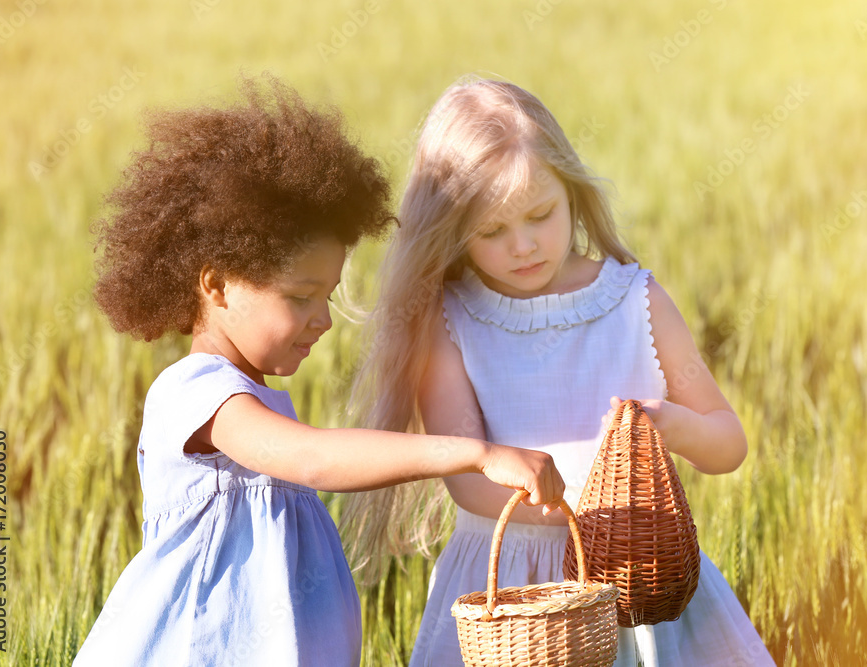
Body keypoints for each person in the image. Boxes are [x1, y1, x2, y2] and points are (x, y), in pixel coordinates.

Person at [73, 76, 565, 667]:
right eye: (301, 296)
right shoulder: (195, 394)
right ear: (216, 283)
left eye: (327, 297)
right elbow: (315, 459)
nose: (322, 321)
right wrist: (475, 453)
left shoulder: (261, 402)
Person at [346, 77, 775, 666]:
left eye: (541, 215)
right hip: (514, 596)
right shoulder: (449, 320)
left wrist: (673, 426)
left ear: (572, 192)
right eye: (491, 231)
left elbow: (727, 442)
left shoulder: (635, 300)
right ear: (452, 231)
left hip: (635, 579)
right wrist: (586, 522)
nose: (522, 245)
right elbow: (469, 478)